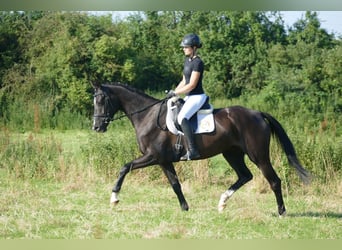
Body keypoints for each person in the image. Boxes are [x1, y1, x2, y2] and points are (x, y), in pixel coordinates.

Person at [167, 33, 208, 160]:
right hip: (189, 97)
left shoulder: (198, 63)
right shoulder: (187, 61)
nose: (183, 49)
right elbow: (184, 80)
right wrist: (174, 91)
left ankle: (193, 150)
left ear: (194, 47)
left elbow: (191, 85)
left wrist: (177, 93)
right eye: (183, 47)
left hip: (197, 96)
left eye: (186, 47)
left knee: (182, 117)